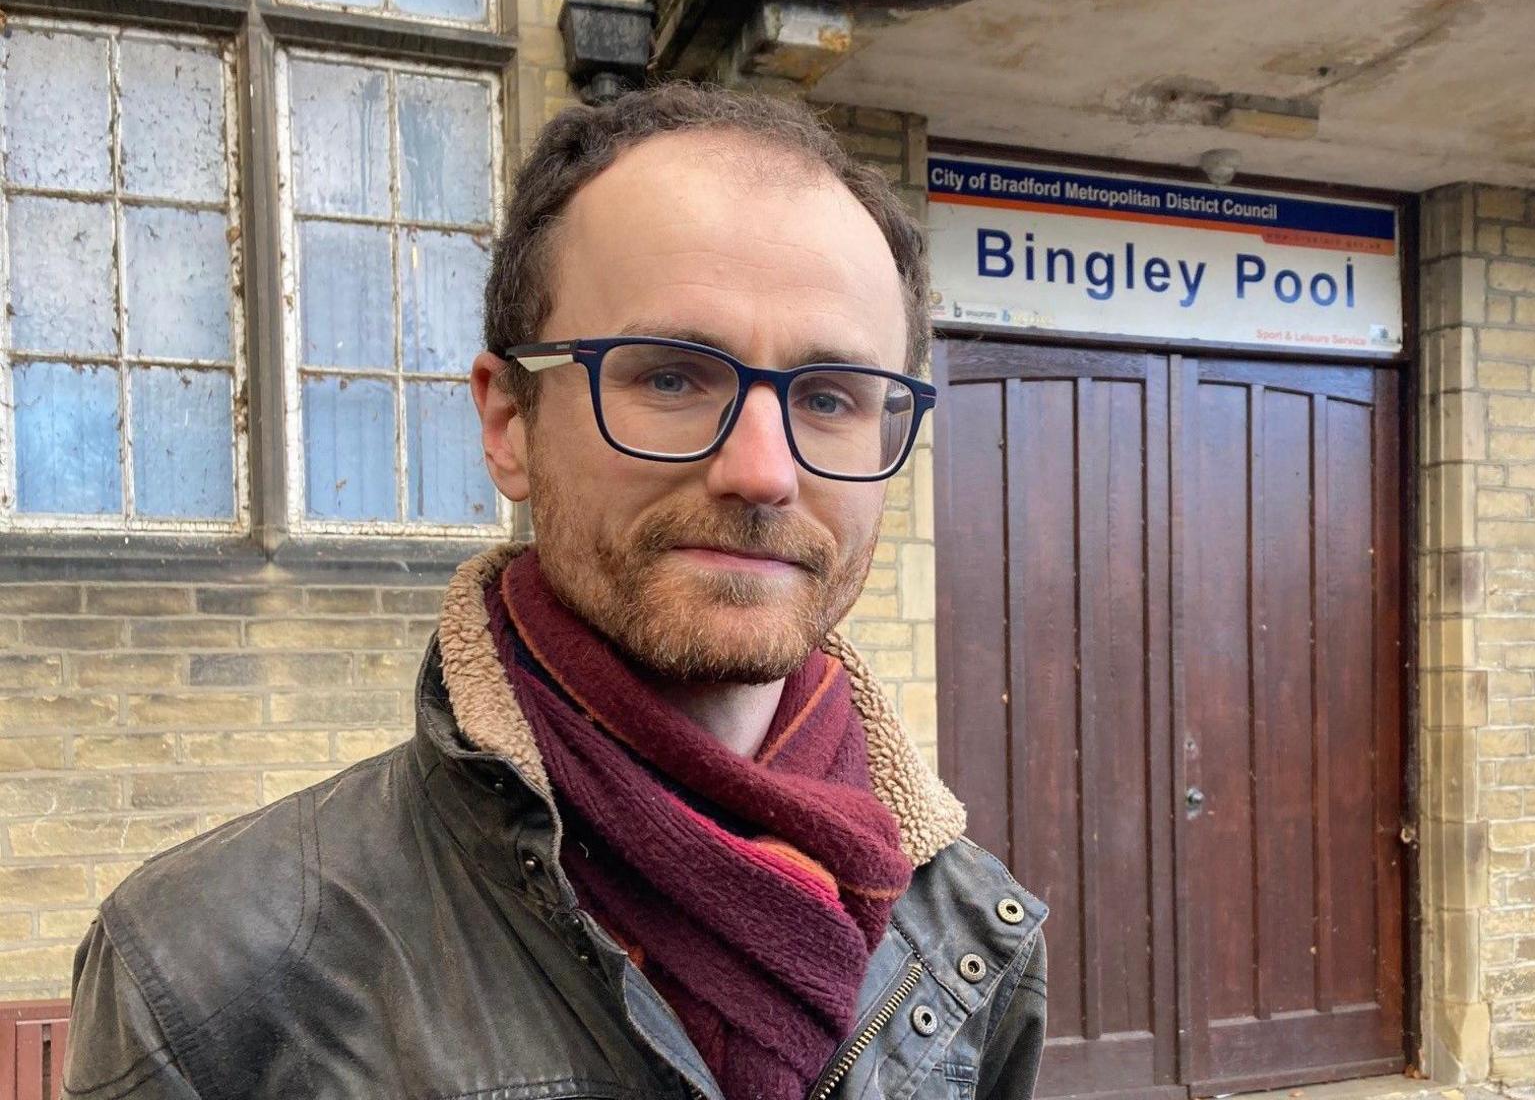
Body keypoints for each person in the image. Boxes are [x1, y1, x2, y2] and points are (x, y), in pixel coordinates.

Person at [62, 83, 1048, 1100]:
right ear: (507, 423)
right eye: (669, 377)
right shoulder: (209, 975)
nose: (763, 471)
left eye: (833, 397)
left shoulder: (973, 934)